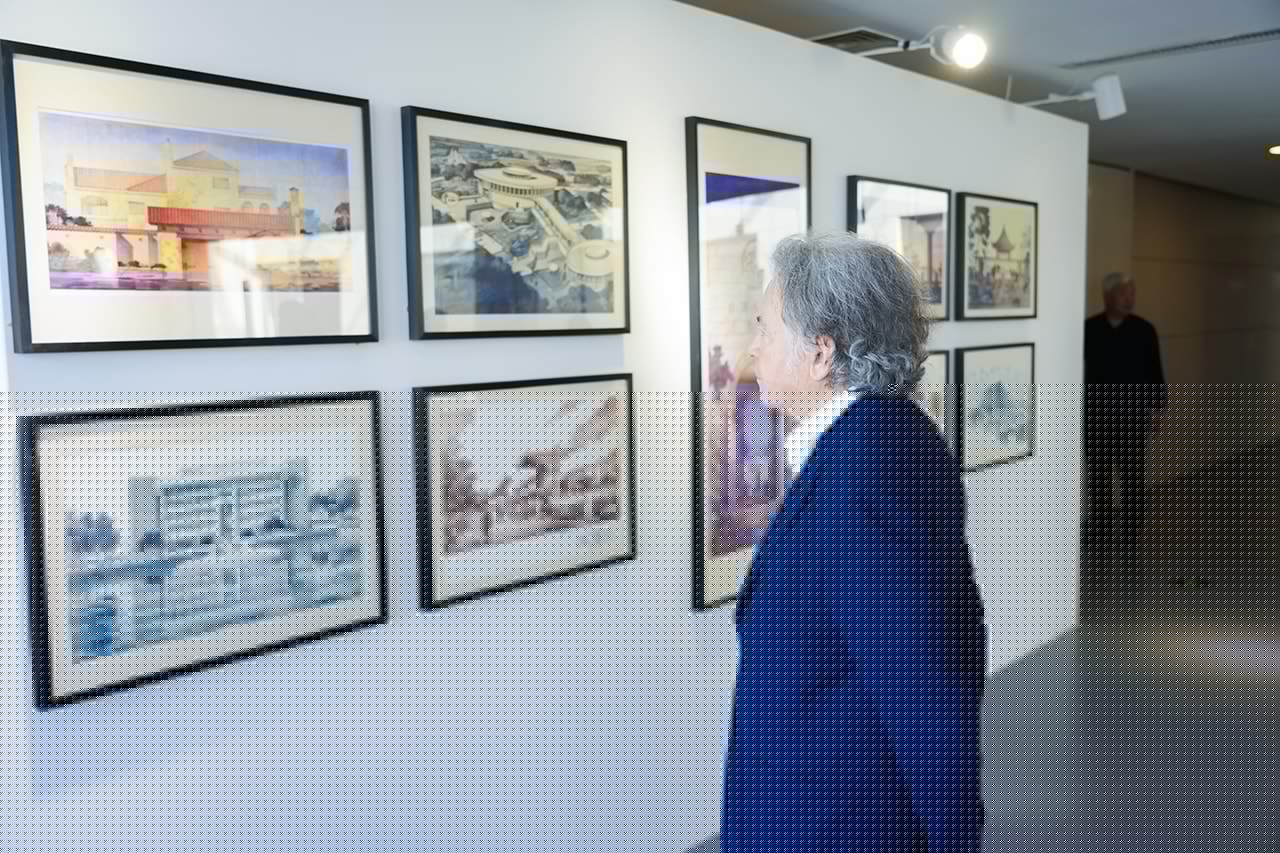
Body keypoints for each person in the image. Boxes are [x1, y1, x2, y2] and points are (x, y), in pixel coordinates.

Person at [722, 232, 988, 853]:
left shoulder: (869, 466)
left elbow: (925, 679)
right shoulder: (873, 439)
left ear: (821, 353)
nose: (753, 347)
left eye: (765, 329)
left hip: (837, 818)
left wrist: (953, 840)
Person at [1083, 272, 1170, 595]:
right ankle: (1100, 529)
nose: (1129, 298)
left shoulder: (1144, 330)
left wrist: (1157, 409)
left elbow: (1155, 370)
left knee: (1133, 477)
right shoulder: (1089, 329)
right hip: (1098, 417)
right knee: (1099, 477)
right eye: (1123, 293)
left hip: (1133, 417)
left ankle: (1130, 533)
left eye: (1132, 293)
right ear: (1107, 296)